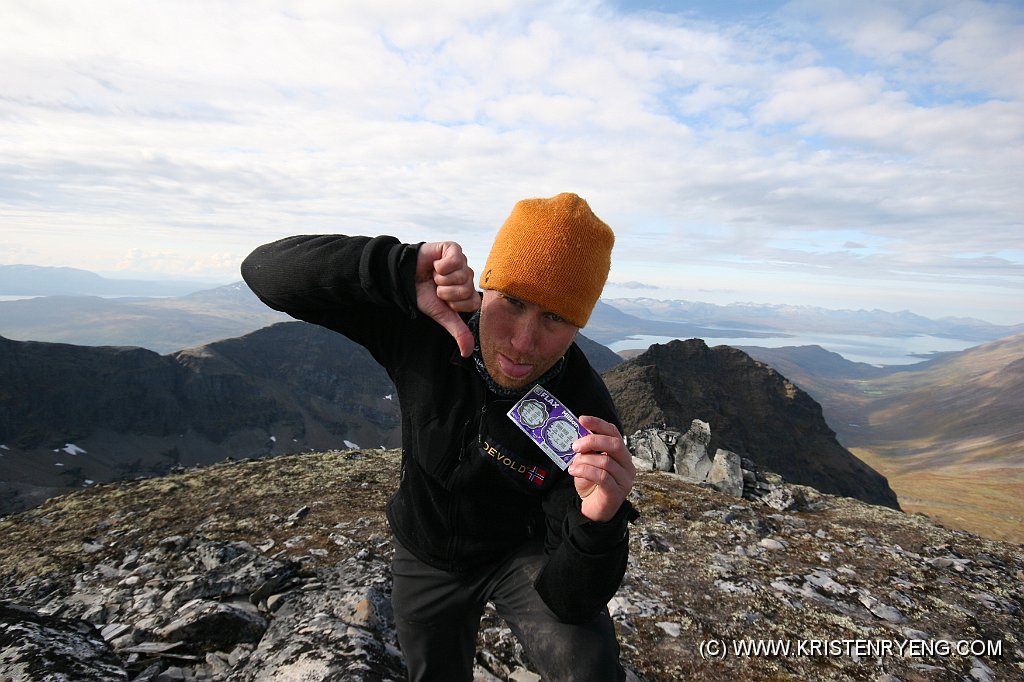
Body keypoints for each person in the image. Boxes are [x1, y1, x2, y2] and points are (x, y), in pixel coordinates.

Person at [241, 192, 637, 681]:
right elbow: (264, 272)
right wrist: (400, 267)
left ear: (578, 326)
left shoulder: (583, 415)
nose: (523, 341)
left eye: (555, 318)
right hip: (426, 549)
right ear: (487, 286)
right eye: (512, 302)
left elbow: (571, 602)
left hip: (521, 553)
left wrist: (598, 522)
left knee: (590, 672)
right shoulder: (427, 329)